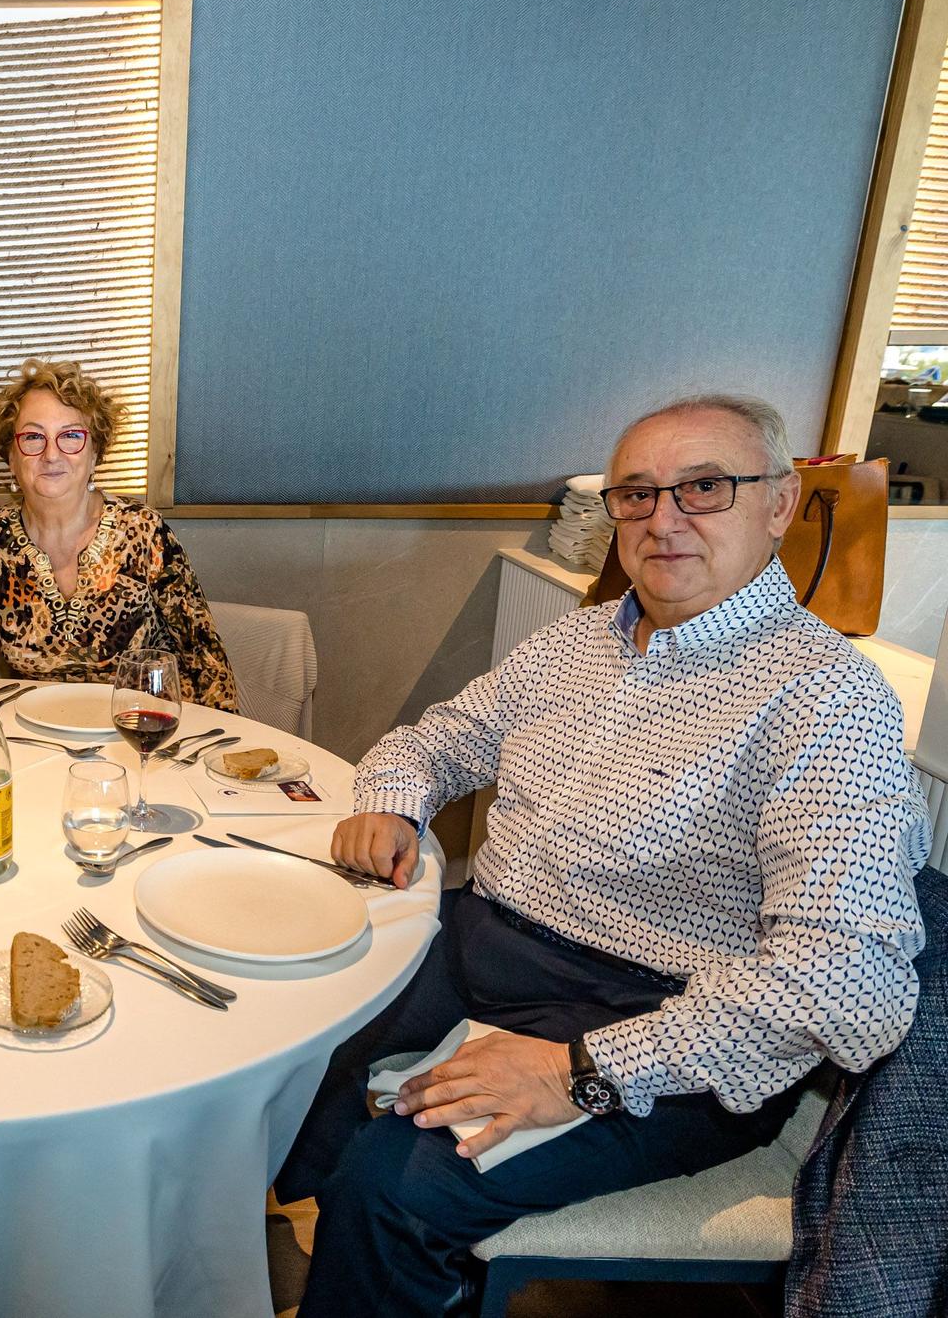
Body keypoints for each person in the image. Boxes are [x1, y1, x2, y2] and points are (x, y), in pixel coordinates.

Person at [273, 394, 930, 1317]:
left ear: (779, 504)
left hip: (650, 1019)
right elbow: (444, 737)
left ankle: (378, 1260)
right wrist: (394, 798)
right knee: (282, 1063)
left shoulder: (826, 701)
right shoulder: (580, 639)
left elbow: (847, 984)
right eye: (637, 494)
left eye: (704, 487)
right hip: (479, 942)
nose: (663, 520)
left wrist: (580, 1069)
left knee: (395, 1187)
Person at [0, 358, 237, 708]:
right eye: (33, 437)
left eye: (71, 436)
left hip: (140, 735)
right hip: (34, 742)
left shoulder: (144, 533)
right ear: (11, 458)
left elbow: (208, 665)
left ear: (94, 455)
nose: (52, 454)